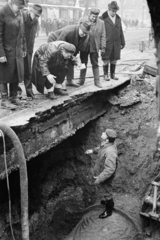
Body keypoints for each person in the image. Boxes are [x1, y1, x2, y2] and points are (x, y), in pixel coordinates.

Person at [47, 21, 91, 88]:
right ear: (79, 28)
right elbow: (59, 45)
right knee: (59, 61)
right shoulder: (68, 31)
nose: (84, 34)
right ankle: (56, 84)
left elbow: (76, 49)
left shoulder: (84, 35)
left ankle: (69, 81)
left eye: (86, 33)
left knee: (70, 57)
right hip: (55, 40)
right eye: (83, 32)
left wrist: (75, 60)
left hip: (67, 44)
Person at [0, 0, 27, 110]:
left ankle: (13, 97)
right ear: (12, 4)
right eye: (19, 7)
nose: (20, 9)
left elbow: (23, 33)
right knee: (4, 76)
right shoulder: (2, 13)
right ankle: (4, 100)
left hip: (17, 50)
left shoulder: (20, 13)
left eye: (21, 7)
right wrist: (1, 53)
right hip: (6, 51)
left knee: (16, 74)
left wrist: (23, 47)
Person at [85, 128, 118, 219]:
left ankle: (108, 210)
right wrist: (93, 151)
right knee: (103, 189)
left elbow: (110, 170)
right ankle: (106, 201)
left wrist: (99, 178)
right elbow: (100, 148)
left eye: (105, 133)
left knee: (107, 192)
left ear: (107, 139)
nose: (102, 133)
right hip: (102, 170)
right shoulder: (106, 144)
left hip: (105, 174)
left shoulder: (110, 152)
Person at [78, 8, 106, 88]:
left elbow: (103, 35)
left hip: (94, 46)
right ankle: (81, 80)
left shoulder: (101, 23)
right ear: (89, 14)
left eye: (96, 17)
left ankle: (97, 81)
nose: (94, 18)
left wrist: (103, 47)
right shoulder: (82, 20)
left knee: (95, 64)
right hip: (84, 46)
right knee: (83, 63)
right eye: (93, 16)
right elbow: (77, 33)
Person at [100, 1, 125, 81]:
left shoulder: (118, 18)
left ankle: (112, 75)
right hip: (106, 42)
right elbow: (99, 32)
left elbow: (120, 30)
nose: (114, 13)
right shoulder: (102, 18)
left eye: (115, 11)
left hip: (116, 42)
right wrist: (100, 44)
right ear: (109, 9)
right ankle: (105, 75)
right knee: (106, 59)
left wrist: (122, 41)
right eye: (113, 11)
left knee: (114, 59)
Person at [22, 4, 42, 100]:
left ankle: (29, 92)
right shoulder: (21, 17)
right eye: (35, 15)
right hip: (19, 48)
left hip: (29, 49)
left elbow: (32, 36)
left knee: (28, 70)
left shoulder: (36, 21)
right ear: (30, 11)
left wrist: (30, 48)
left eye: (38, 16)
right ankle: (16, 92)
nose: (36, 17)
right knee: (16, 71)